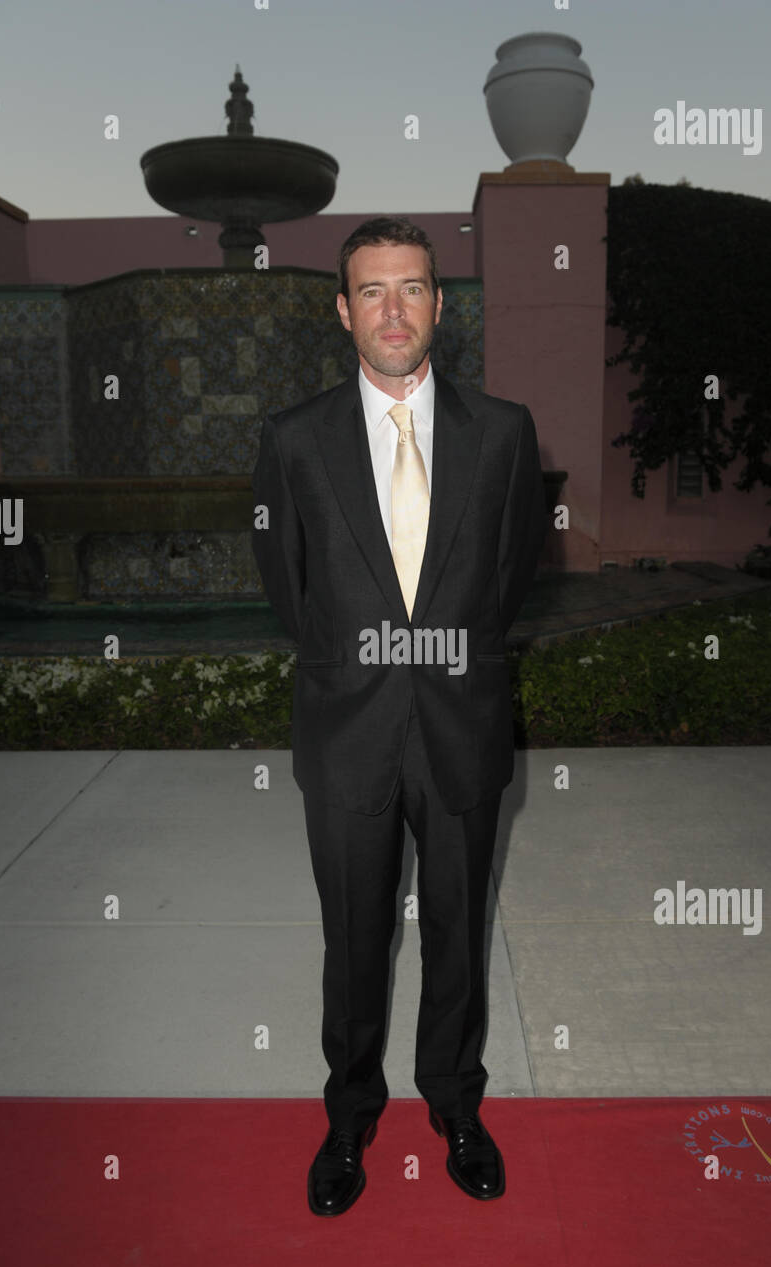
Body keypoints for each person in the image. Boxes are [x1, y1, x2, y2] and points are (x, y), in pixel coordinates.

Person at [251, 216, 546, 1216]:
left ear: (439, 305)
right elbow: (290, 591)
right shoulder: (293, 439)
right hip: (346, 733)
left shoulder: (503, 432)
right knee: (355, 937)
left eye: (412, 288)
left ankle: (457, 1105)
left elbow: (509, 578)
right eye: (372, 291)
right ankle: (349, 1116)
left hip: (462, 719)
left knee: (460, 930)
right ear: (343, 310)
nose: (393, 310)